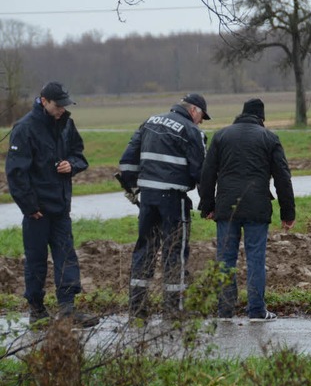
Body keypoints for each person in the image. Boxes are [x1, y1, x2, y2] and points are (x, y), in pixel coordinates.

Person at [6, 81, 98, 328]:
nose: (62, 110)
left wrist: (72, 164)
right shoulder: (24, 129)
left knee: (67, 256)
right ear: (44, 101)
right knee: (36, 260)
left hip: (61, 208)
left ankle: (68, 309)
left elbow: (79, 155)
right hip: (36, 212)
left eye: (65, 105)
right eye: (58, 105)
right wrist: (29, 206)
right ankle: (37, 310)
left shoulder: (67, 124)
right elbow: (16, 173)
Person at [199, 98, 296, 322]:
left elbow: (208, 173)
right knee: (255, 258)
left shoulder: (222, 136)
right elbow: (283, 177)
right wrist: (287, 213)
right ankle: (256, 311)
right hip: (257, 207)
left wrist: (207, 206)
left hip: (227, 207)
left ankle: (224, 311)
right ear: (261, 119)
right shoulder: (269, 138)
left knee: (225, 259)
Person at [118, 93, 209, 321]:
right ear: (194, 110)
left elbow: (128, 159)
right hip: (173, 199)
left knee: (144, 250)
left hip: (147, 198)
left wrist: (131, 186)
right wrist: (208, 202)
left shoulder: (150, 121)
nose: (201, 122)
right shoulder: (192, 131)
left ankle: (137, 310)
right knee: (174, 252)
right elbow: (201, 172)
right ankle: (174, 310)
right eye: (202, 117)